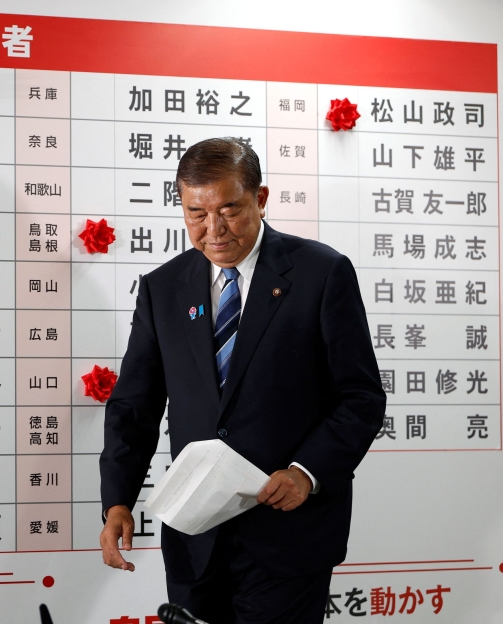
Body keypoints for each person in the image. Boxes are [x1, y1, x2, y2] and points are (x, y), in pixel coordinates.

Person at [98, 137, 386, 623]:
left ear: (261, 198)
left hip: (288, 533)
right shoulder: (163, 288)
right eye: (196, 213)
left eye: (229, 209)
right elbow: (134, 405)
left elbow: (360, 397)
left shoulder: (321, 273)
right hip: (196, 538)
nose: (214, 230)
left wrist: (306, 473)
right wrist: (117, 500)